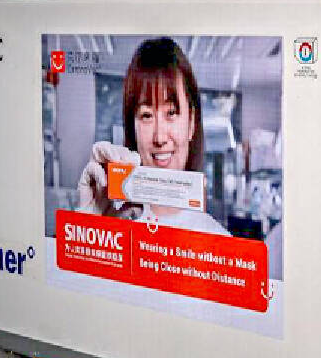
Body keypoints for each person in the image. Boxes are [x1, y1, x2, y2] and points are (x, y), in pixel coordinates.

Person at [77, 37, 228, 236]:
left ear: (191, 123)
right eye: (146, 115)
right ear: (133, 128)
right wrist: (88, 230)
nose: (160, 137)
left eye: (171, 113)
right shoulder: (113, 223)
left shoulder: (218, 239)